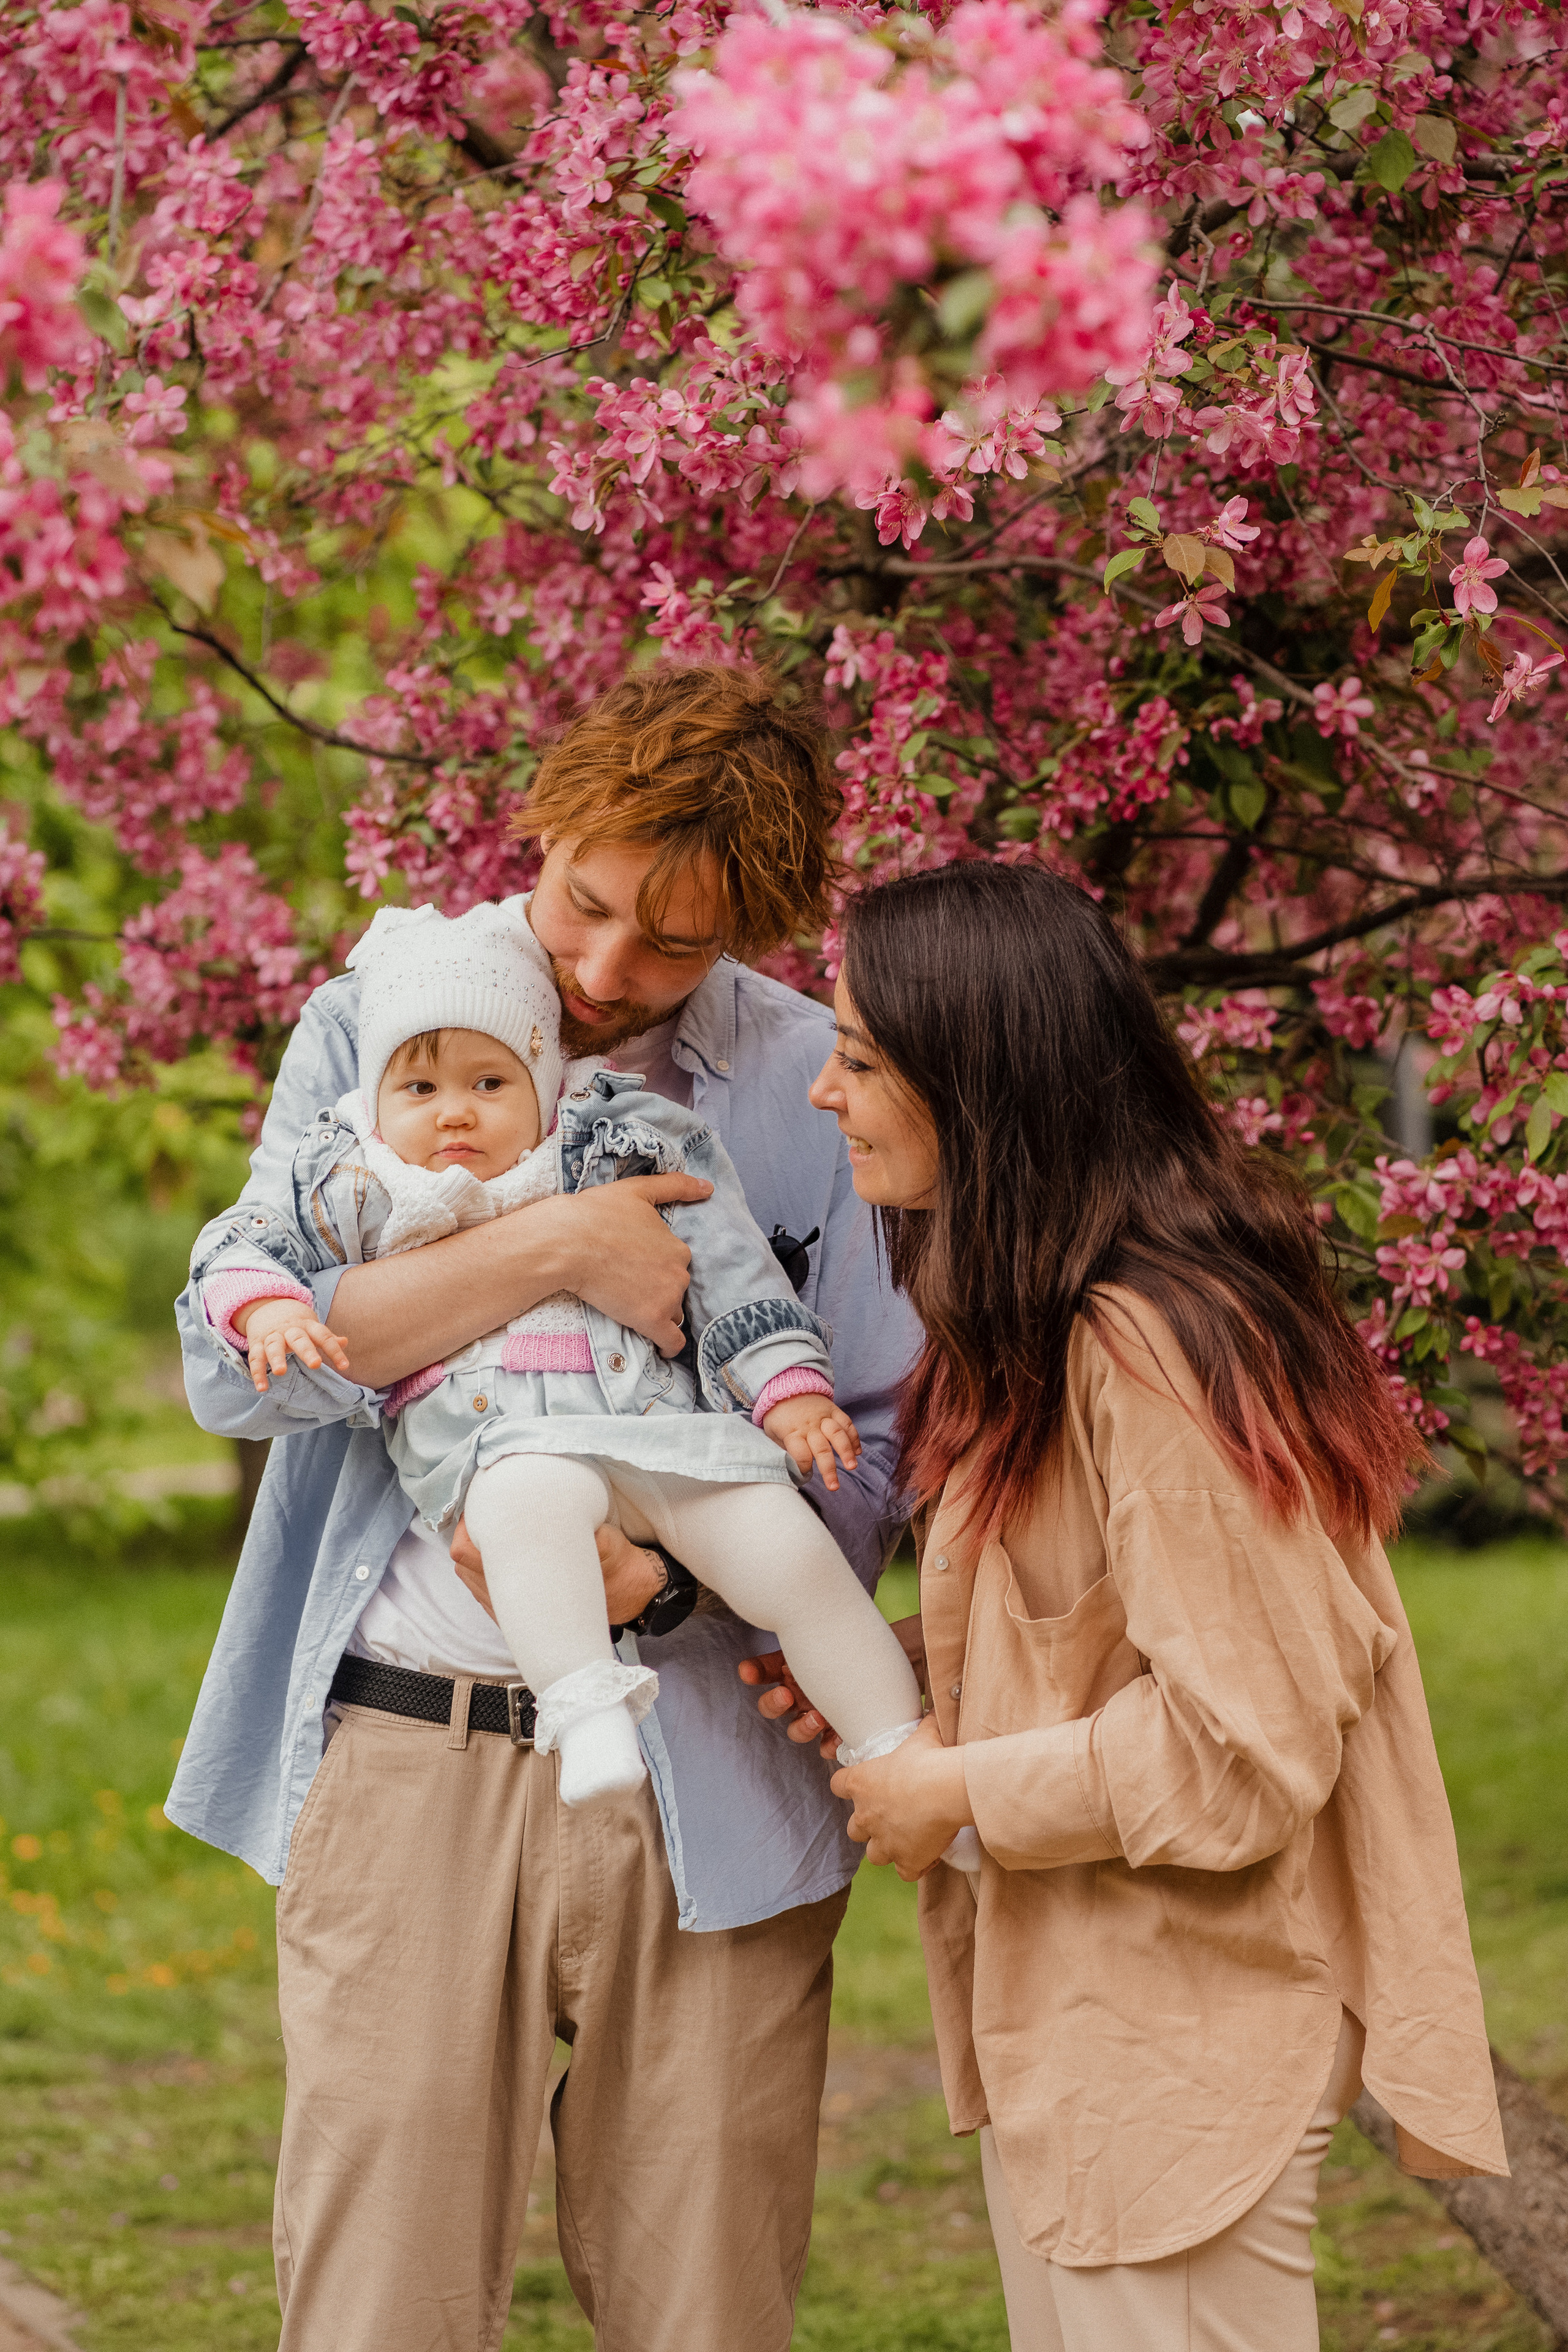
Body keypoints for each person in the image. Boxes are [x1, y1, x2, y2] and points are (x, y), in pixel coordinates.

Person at [168, 663, 921, 2352]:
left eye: (670, 945)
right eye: (586, 902)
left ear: (753, 932)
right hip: (408, 1748)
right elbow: (242, 1370)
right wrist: (562, 1246)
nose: (599, 971)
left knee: (702, 2307)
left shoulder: (811, 1082)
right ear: (547, 824)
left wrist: (662, 1583)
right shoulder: (375, 1023)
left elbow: (867, 1442)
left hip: (714, 1775)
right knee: (380, 2308)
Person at [785, 860, 1506, 2351]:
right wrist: (914, 1677)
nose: (821, 1091)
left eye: (857, 1057)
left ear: (977, 1077)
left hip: (1180, 2043)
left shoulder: (1148, 1343)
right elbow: (1124, 1624)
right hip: (1084, 2025)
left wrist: (952, 1791)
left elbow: (1244, 1745)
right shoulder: (1038, 1322)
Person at [199, 894, 921, 1807]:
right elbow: (245, 1247)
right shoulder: (360, 1180)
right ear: (376, 1104)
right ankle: (586, 1714)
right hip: (505, 1445)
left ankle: (900, 1751)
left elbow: (733, 1268)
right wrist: (268, 1310)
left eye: (489, 1084)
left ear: (545, 1086)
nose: (455, 1116)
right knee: (524, 1512)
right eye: (420, 1091)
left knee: (790, 1553)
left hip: (662, 1430)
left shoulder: (619, 1143)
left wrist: (787, 1388)